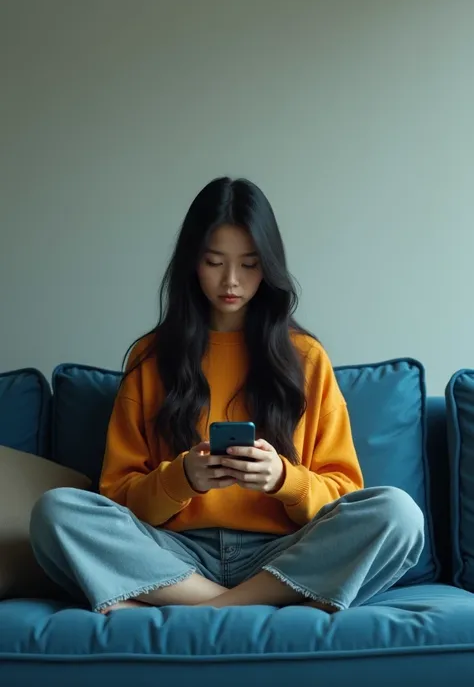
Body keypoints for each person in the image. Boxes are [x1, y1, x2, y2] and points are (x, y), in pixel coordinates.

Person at [30, 177, 424, 614]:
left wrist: (282, 479)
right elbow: (118, 497)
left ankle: (193, 607)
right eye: (214, 262)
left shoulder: (306, 358)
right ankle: (245, 605)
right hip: (176, 552)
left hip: (281, 553)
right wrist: (184, 478)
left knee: (399, 514)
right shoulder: (151, 358)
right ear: (192, 263)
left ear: (270, 267)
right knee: (56, 511)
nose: (231, 281)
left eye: (250, 265)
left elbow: (344, 493)